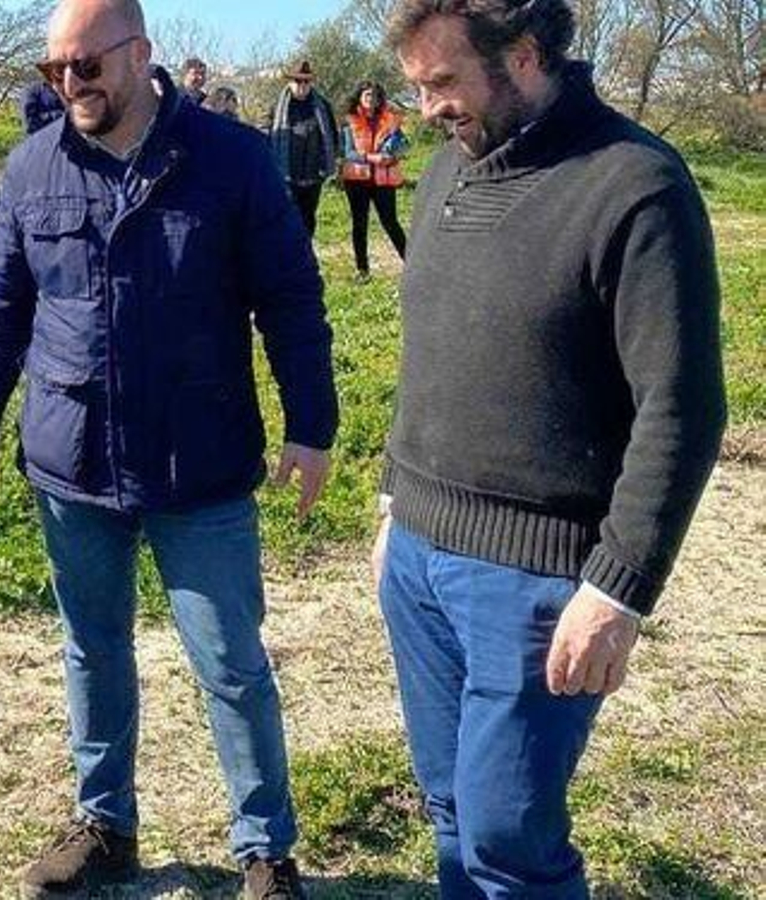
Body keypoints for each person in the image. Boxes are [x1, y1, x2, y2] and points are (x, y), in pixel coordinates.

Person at [0, 1, 337, 897]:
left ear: (139, 55)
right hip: (71, 459)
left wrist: (312, 427)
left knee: (231, 664)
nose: (70, 84)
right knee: (92, 648)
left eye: (85, 65)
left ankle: (265, 849)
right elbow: (1, 306)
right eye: (55, 70)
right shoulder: (33, 165)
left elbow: (290, 299)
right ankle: (105, 824)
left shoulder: (230, 159)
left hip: (197, 464)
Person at [375, 1, 727, 896]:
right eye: (416, 87)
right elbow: (434, 354)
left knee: (508, 837)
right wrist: (394, 505)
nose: (426, 110)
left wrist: (619, 588)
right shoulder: (444, 176)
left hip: (534, 581)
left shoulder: (633, 184)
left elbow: (681, 407)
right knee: (451, 810)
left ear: (525, 55)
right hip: (417, 560)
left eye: (443, 82)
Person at [338, 81, 408, 282]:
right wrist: (371, 158)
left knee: (391, 222)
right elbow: (348, 153)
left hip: (383, 179)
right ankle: (362, 270)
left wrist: (394, 156)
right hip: (357, 180)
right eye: (367, 95)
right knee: (360, 225)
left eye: (375, 95)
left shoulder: (390, 119)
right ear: (359, 97)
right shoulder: (349, 122)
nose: (372, 99)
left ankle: (411, 264)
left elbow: (402, 145)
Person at [268, 60, 338, 236]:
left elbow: (333, 137)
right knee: (287, 220)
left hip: (314, 176)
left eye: (306, 81)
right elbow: (265, 137)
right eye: (297, 81)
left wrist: (325, 166)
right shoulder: (277, 108)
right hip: (285, 175)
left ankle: (305, 256)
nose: (302, 86)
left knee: (308, 220)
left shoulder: (322, 106)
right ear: (289, 82)